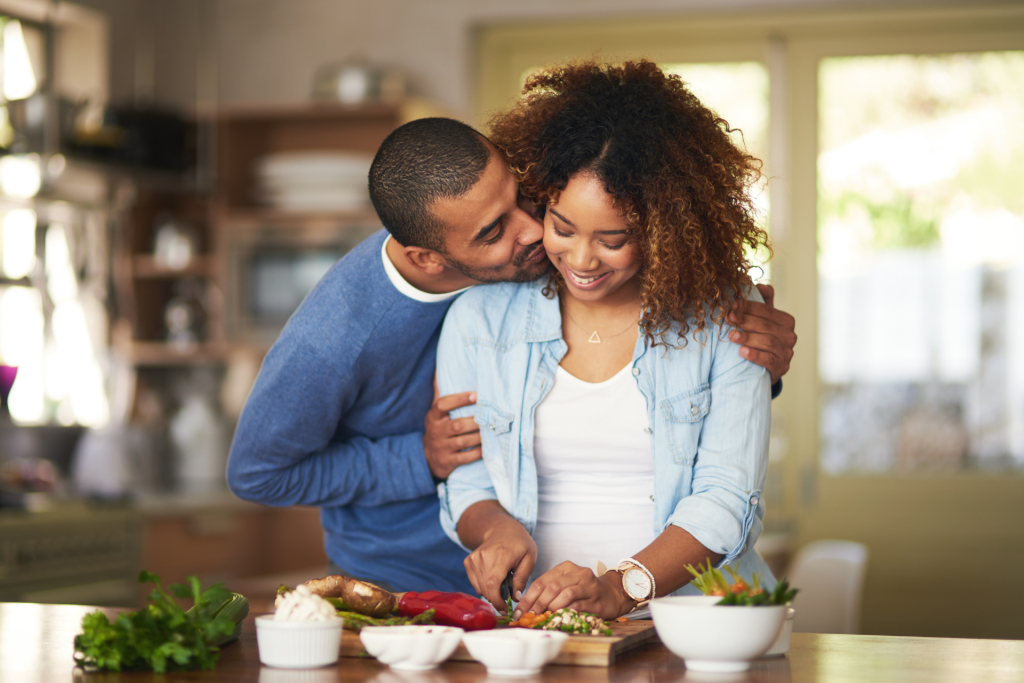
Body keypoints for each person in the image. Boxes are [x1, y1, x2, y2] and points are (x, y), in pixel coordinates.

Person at [226, 114, 796, 592]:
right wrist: (419, 459)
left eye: (524, 196)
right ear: (430, 258)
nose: (534, 231)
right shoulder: (335, 337)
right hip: (405, 577)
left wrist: (748, 361)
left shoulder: (538, 251)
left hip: (539, 593)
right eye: (495, 229)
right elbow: (259, 475)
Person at [436, 60, 775, 620]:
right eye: (562, 228)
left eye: (613, 239)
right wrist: (493, 530)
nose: (581, 260)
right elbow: (466, 476)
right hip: (544, 629)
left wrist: (620, 589)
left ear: (663, 230)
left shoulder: (728, 316)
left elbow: (726, 499)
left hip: (699, 626)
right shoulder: (479, 320)